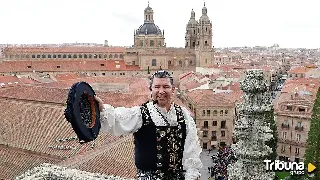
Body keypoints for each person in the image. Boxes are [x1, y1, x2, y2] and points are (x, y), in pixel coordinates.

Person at [94, 70, 202, 180]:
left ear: (173, 90)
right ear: (151, 90)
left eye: (165, 87)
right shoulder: (141, 113)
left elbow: (191, 149)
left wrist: (192, 175)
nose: (161, 91)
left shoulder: (184, 115)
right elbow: (117, 119)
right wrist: (102, 109)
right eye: (157, 87)